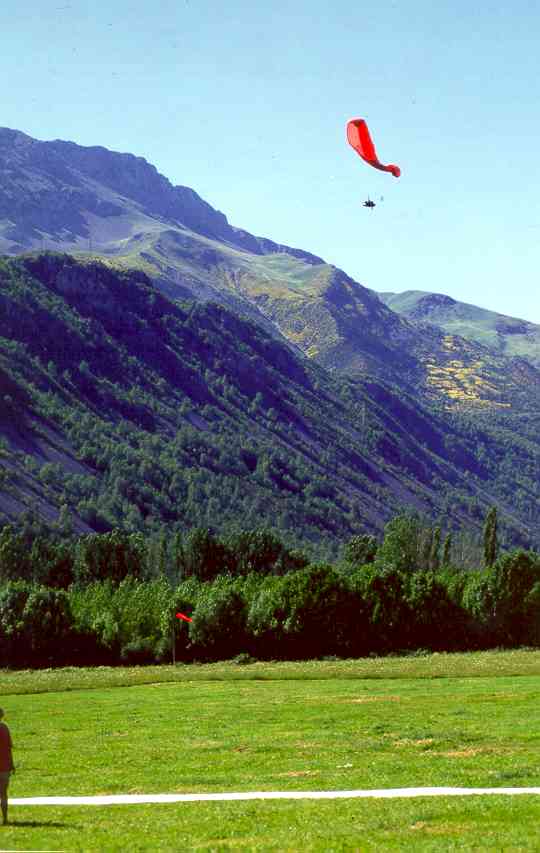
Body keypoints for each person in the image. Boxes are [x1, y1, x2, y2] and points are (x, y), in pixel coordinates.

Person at [0, 708, 14, 826]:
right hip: (4, 765)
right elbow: (9, 748)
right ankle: (5, 818)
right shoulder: (5, 728)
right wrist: (12, 764)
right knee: (3, 793)